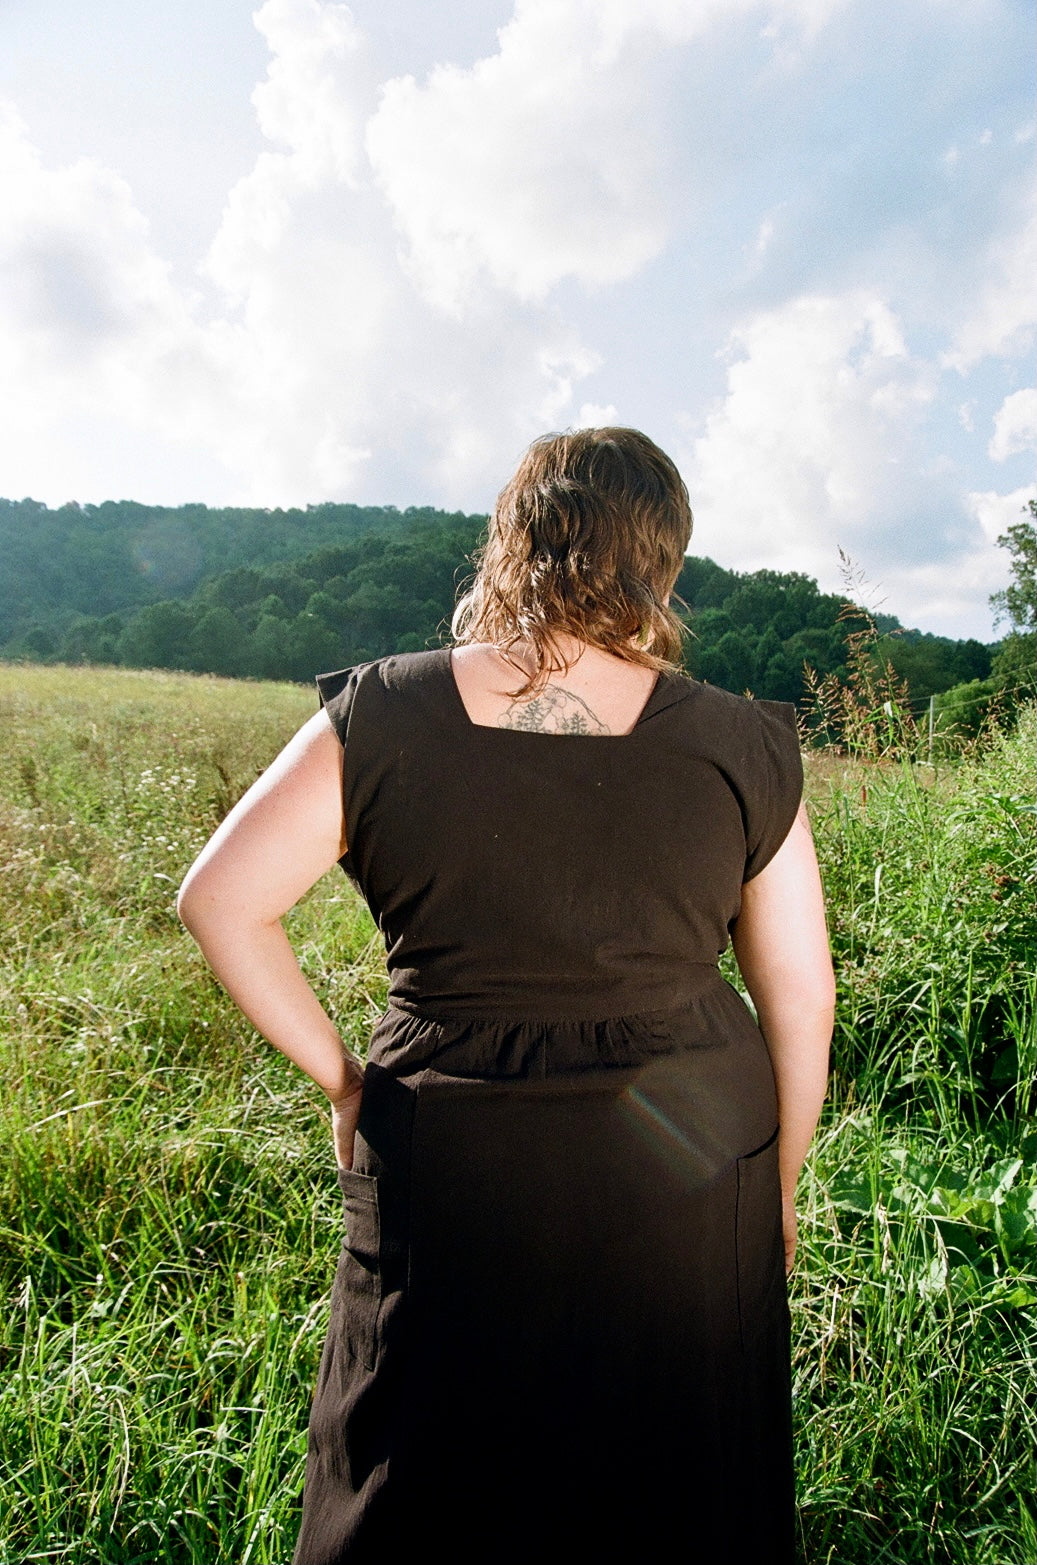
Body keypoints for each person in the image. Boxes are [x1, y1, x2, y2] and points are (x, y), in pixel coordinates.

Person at [178, 427, 834, 1565]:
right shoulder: (741, 741)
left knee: (416, 1469)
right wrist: (770, 1186)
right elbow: (800, 996)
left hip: (447, 1146)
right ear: (662, 562)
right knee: (680, 1484)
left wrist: (343, 1079)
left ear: (510, 536)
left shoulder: (378, 711)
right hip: (691, 1155)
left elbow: (219, 899)